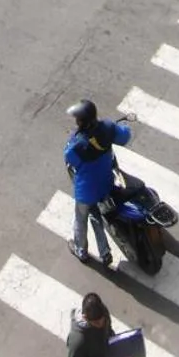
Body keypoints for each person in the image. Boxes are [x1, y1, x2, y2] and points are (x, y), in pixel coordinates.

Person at [65, 98, 130, 267]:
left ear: (80, 121)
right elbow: (124, 136)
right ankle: (105, 252)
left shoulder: (76, 145)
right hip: (106, 182)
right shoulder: (108, 128)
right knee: (96, 214)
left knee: (81, 218)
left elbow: (70, 160)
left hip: (86, 191)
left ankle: (81, 250)